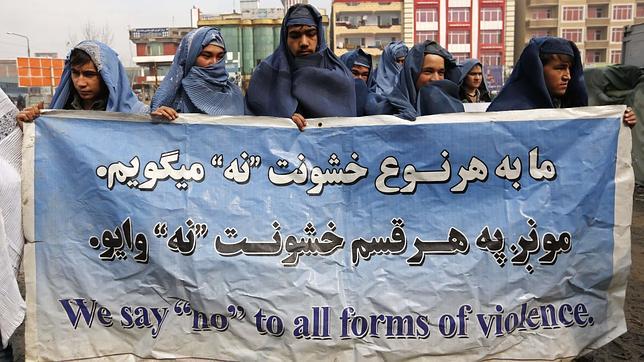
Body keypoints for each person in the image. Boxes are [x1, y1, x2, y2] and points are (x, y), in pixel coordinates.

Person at [245, 4, 356, 130]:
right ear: (285, 38)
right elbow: (251, 127)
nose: (304, 42)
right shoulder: (266, 75)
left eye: (311, 34)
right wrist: (284, 121)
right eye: (295, 36)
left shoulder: (340, 78)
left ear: (319, 37)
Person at [487, 36, 636, 127]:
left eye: (570, 69)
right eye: (560, 68)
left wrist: (619, 122)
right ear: (536, 70)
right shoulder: (505, 111)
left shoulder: (564, 108)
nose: (568, 76)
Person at [16, 40, 149, 124]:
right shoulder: (59, 113)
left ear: (107, 77)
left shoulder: (137, 115)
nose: (80, 83)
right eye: (75, 73)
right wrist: (27, 127)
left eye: (89, 74)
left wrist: (164, 120)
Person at [151, 27, 244, 120]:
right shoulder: (176, 98)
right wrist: (161, 117)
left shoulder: (235, 96)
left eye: (220, 57)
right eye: (207, 56)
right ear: (191, 57)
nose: (214, 62)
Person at [387, 40, 464, 121]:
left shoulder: (454, 107)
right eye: (428, 71)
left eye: (441, 72)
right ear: (412, 74)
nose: (436, 79)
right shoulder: (388, 109)